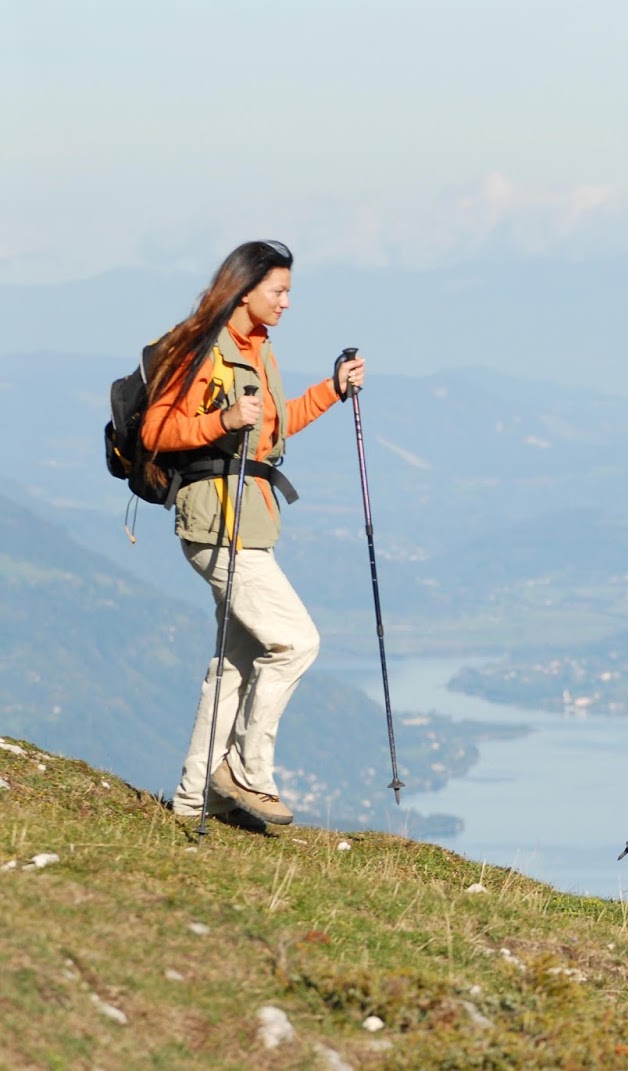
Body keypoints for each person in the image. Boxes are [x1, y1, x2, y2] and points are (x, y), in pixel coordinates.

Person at [141, 240, 365, 826]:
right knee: (296, 641)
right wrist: (222, 420)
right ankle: (246, 769)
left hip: (252, 520)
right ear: (245, 290)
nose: (288, 303)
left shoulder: (259, 349)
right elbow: (157, 429)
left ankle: (195, 798)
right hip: (214, 521)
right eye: (279, 291)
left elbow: (273, 428)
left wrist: (333, 389)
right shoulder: (198, 346)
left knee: (234, 663)